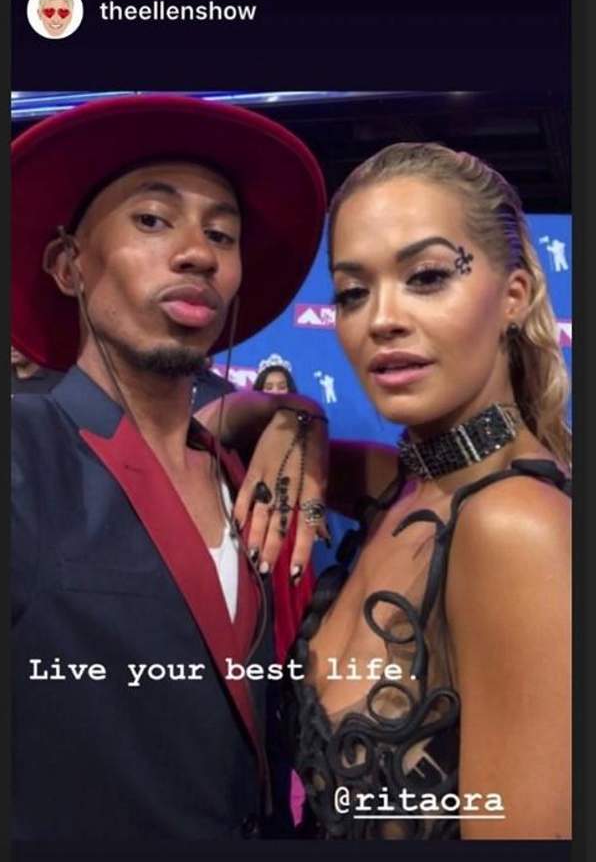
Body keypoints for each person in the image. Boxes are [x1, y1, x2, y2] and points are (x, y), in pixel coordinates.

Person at [222, 142, 571, 840]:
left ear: (514, 295)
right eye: (353, 292)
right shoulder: (405, 485)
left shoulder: (516, 527)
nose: (381, 318)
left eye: (427, 276)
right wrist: (300, 414)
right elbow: (218, 423)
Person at [11, 93, 328, 844]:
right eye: (153, 220)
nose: (198, 253)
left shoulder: (248, 471)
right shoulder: (20, 450)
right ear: (68, 265)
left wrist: (298, 416)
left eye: (222, 233)